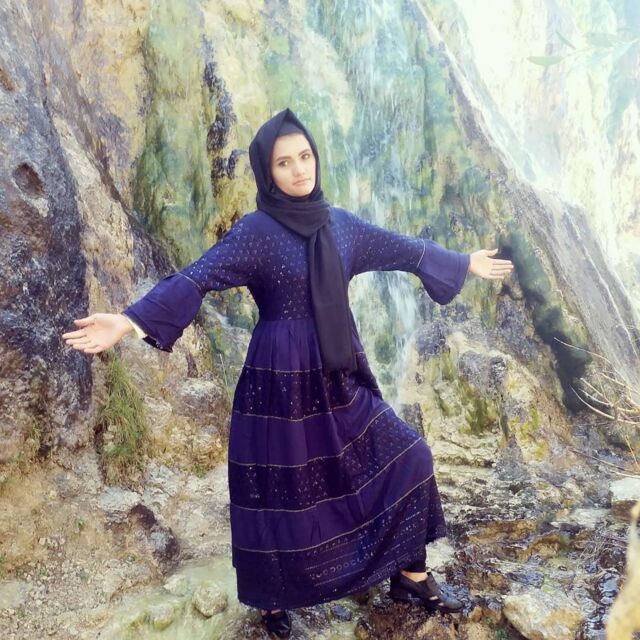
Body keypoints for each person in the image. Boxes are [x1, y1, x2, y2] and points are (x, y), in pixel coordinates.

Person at [62, 108, 513, 638]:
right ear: (267, 172)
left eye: (305, 157)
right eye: (284, 162)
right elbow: (198, 277)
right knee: (281, 492)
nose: (299, 170)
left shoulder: (341, 224)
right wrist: (129, 320)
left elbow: (403, 249)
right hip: (278, 380)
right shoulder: (256, 232)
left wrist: (462, 262)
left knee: (409, 455)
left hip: (340, 376)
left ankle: (411, 575)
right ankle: (273, 601)